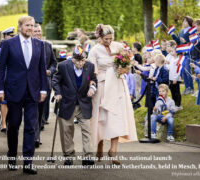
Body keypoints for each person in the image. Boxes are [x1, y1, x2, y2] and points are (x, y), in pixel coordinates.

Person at [0, 16, 47, 174]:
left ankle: (28, 162)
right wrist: (0, 89)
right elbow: (0, 68)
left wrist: (43, 89)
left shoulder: (40, 44)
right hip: (14, 91)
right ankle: (12, 158)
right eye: (27, 25)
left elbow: (41, 69)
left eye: (32, 26)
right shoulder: (8, 44)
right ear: (19, 27)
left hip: (33, 92)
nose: (30, 28)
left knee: (31, 127)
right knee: (14, 126)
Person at [88, 24, 138, 165]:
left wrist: (125, 68)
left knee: (117, 117)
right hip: (103, 86)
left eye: (111, 38)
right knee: (102, 118)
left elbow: (128, 62)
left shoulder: (118, 47)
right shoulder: (95, 51)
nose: (109, 41)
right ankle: (100, 145)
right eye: (106, 39)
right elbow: (92, 71)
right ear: (100, 37)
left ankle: (113, 150)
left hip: (118, 85)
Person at [52, 45, 97, 166]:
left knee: (87, 129)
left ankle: (88, 156)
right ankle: (68, 155)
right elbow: (55, 80)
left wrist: (92, 88)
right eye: (77, 60)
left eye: (82, 60)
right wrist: (57, 93)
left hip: (84, 103)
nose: (80, 63)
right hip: (66, 102)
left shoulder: (90, 66)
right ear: (72, 59)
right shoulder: (63, 66)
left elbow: (93, 79)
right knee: (67, 130)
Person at [32, 23, 57, 148]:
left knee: (41, 110)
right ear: (31, 32)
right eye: (35, 31)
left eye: (39, 31)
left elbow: (54, 63)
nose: (37, 33)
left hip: (44, 83)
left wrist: (50, 71)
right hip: (30, 84)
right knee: (33, 111)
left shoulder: (47, 45)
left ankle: (38, 127)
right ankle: (36, 136)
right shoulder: (27, 46)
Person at [0, 27, 15, 132]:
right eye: (10, 36)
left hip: (12, 77)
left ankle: (7, 123)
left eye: (12, 36)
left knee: (11, 102)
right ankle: (3, 124)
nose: (11, 38)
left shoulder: (15, 46)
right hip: (3, 77)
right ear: (5, 36)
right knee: (2, 102)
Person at [171, 16, 194, 95]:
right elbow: (178, 41)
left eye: (185, 21)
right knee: (183, 71)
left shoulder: (191, 31)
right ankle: (187, 87)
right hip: (181, 54)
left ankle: (191, 88)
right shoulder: (181, 31)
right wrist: (173, 35)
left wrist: (185, 41)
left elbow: (193, 42)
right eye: (183, 21)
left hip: (188, 53)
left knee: (188, 71)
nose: (184, 23)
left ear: (189, 22)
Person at [167, 40, 182, 110]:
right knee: (173, 92)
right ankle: (175, 104)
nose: (171, 52)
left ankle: (178, 104)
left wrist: (175, 78)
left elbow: (178, 70)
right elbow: (169, 67)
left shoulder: (178, 60)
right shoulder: (172, 59)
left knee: (177, 92)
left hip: (175, 79)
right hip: (171, 77)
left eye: (172, 51)